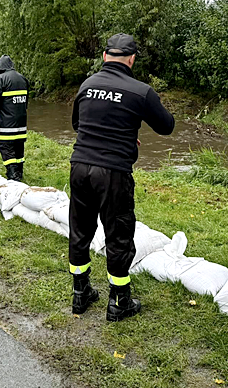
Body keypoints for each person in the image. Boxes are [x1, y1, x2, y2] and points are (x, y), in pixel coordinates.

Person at [69, 34, 175, 322]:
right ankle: (119, 301)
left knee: (80, 229)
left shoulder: (87, 85)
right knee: (118, 233)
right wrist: (127, 132)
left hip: (80, 166)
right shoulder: (140, 91)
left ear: (105, 57)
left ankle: (80, 293)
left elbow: (79, 124)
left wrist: (117, 132)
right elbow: (166, 126)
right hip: (112, 172)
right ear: (131, 59)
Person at [0, 55, 29, 181]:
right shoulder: (23, 79)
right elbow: (26, 103)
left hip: (6, 125)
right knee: (19, 149)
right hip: (21, 123)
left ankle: (13, 175)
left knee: (6, 148)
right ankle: (19, 173)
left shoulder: (0, 79)